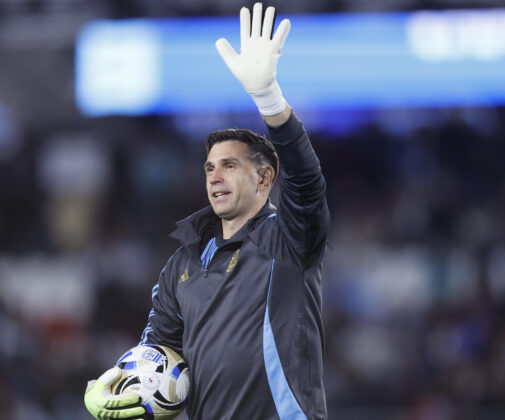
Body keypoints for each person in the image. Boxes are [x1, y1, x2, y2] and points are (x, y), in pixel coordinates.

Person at [84, 3, 330, 419]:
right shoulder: (181, 262)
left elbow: (307, 182)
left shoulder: (289, 241)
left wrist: (269, 99)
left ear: (265, 178)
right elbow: (159, 352)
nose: (215, 176)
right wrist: (120, 380)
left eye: (230, 166)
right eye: (210, 168)